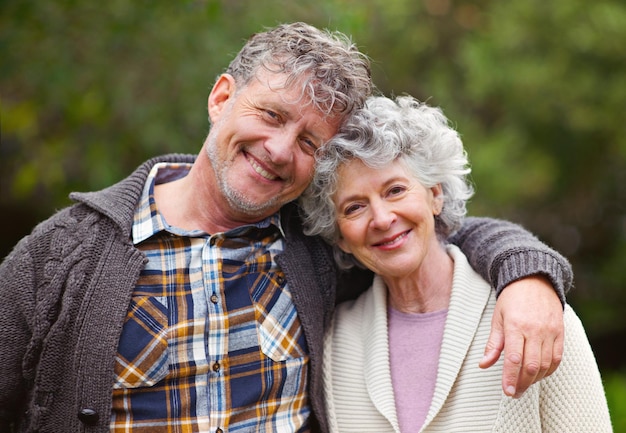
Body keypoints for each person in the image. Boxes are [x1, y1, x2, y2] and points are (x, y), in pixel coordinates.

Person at [0, 22, 572, 433]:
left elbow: (425, 232)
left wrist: (527, 277)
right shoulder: (61, 257)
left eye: (307, 142)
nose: (278, 150)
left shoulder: (315, 247)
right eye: (271, 115)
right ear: (221, 98)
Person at [299, 95, 612, 432]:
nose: (382, 218)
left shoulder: (536, 314)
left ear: (435, 195)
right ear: (341, 237)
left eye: (395, 190)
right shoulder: (334, 342)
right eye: (354, 208)